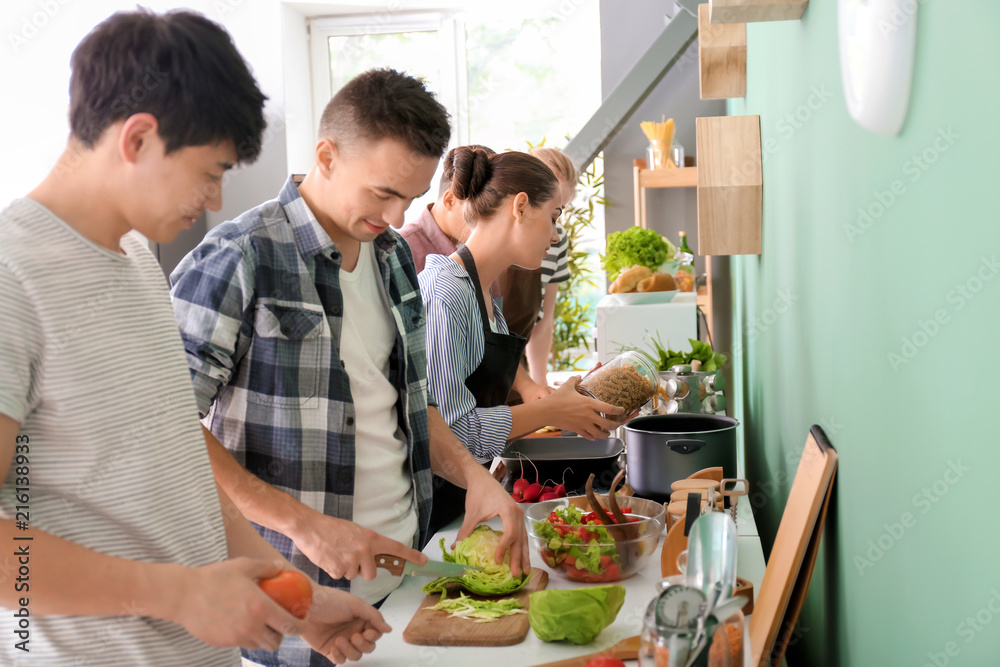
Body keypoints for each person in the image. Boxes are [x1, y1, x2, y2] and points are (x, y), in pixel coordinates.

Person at [0, 10, 387, 667]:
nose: (213, 199)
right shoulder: (12, 275)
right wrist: (177, 593)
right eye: (211, 171)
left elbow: (179, 471)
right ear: (138, 139)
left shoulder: (136, 258)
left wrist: (297, 596)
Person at [168, 69, 528, 667]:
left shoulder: (390, 258)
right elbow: (167, 427)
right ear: (326, 156)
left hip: (404, 589)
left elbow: (408, 408)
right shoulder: (239, 256)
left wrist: (476, 476)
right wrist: (306, 526)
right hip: (291, 606)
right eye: (383, 192)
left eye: (409, 199)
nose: (395, 215)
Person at [419, 147, 622, 532]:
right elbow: (454, 432)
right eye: (554, 216)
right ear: (521, 207)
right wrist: (550, 412)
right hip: (434, 511)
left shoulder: (484, 293)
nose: (556, 232)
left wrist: (577, 405)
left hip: (466, 499)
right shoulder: (447, 293)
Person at [401, 145, 549, 404]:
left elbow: (484, 347)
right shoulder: (411, 260)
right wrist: (548, 411)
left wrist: (530, 388)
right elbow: (450, 420)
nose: (481, 211)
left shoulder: (483, 273)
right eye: (554, 217)